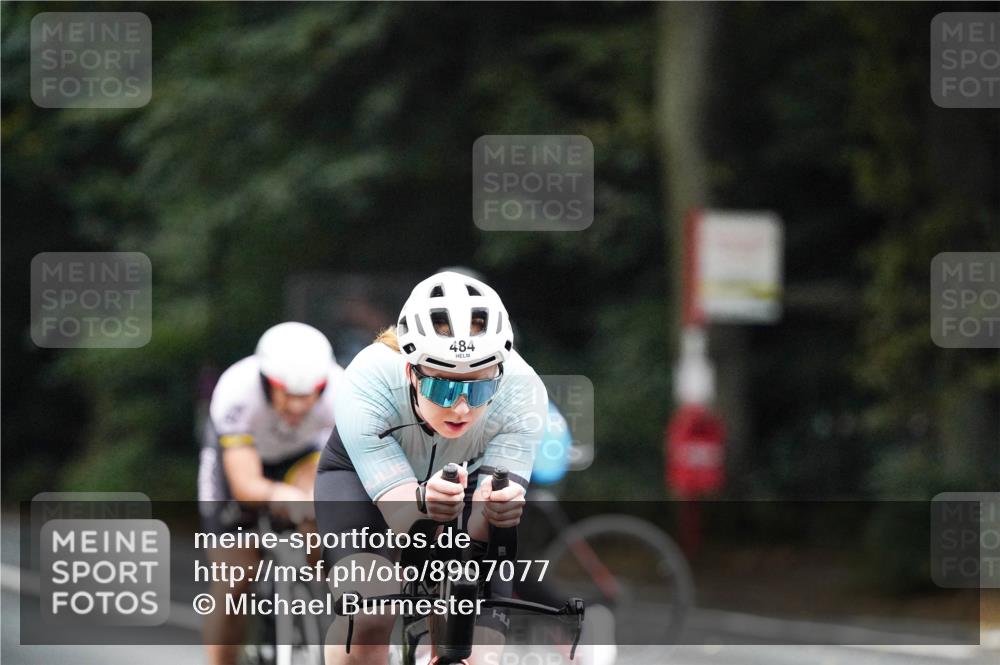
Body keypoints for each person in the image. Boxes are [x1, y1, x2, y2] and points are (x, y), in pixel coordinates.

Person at [315, 271, 548, 665]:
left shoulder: (523, 392)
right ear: (411, 370)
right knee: (370, 614)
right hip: (365, 484)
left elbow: (479, 536)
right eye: (442, 387)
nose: (461, 408)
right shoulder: (367, 378)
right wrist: (425, 503)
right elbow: (403, 518)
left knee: (479, 650)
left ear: (500, 374)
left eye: (478, 388)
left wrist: (495, 512)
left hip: (464, 478)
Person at [198, 321, 345, 665]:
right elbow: (245, 484)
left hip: (302, 456)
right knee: (232, 583)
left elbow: (338, 469)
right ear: (266, 381)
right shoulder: (237, 389)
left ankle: (317, 607)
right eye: (286, 394)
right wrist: (281, 496)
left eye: (307, 395)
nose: (296, 407)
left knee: (322, 517)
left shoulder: (342, 391)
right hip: (242, 459)